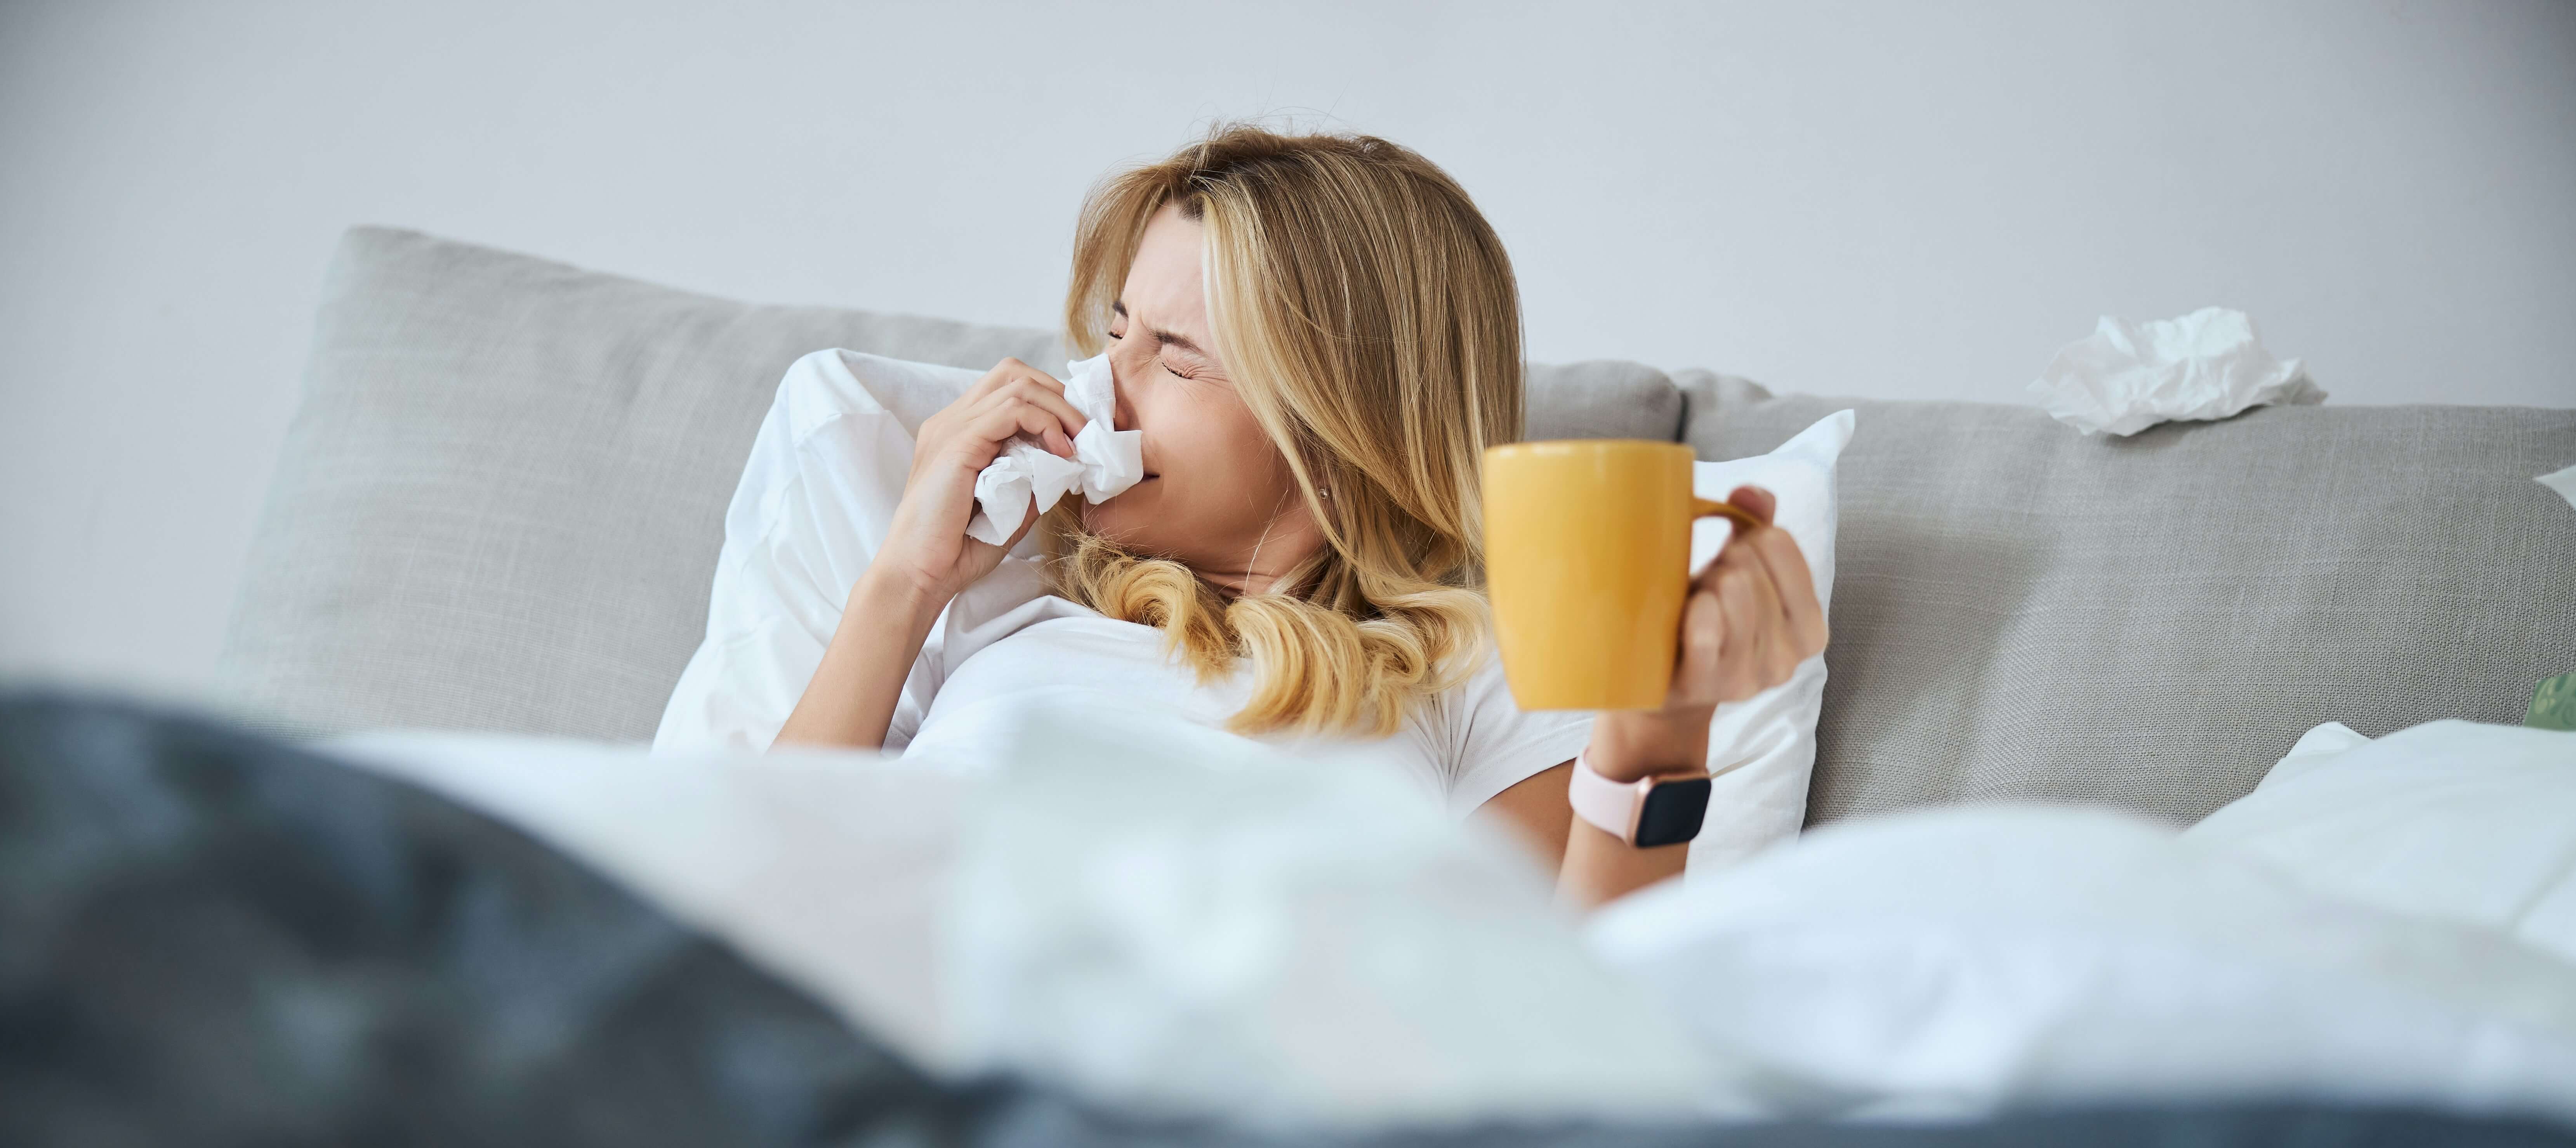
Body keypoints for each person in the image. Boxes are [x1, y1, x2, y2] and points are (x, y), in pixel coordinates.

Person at [767, 125, 1823, 907]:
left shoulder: (1478, 666)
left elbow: (1553, 1022)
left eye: (1176, 358)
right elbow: (748, 885)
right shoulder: (1002, 588)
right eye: (1116, 330)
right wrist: (902, 585)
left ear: (1338, 436)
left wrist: (1658, 746)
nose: (1096, 385)